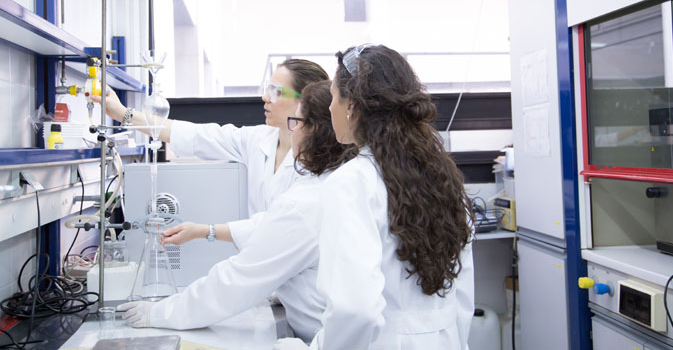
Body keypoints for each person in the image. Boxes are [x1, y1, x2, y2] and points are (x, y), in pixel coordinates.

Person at [118, 81, 355, 341]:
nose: (265, 97)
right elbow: (274, 227)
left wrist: (160, 313)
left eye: (296, 122)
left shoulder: (309, 199)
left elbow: (238, 280)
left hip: (331, 335)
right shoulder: (337, 181)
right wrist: (122, 114)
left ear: (316, 130)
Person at [278, 44, 475, 350]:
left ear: (352, 106)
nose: (330, 108)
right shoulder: (443, 175)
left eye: (333, 97)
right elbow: (462, 294)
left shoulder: (352, 182)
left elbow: (354, 310)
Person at [94, 59, 329, 244]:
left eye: (276, 91)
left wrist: (206, 231)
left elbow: (280, 227)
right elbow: (194, 136)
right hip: (269, 281)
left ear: (305, 100)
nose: (265, 97)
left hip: (304, 287)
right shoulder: (257, 140)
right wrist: (122, 113)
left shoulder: (324, 161)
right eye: (268, 89)